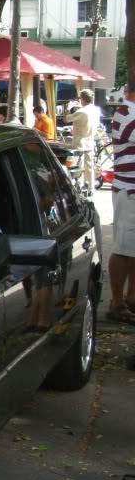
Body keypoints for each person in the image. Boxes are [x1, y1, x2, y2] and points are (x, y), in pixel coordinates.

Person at [106, 82, 135, 323]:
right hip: (129, 192)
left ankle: (130, 298)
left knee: (131, 249)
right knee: (123, 248)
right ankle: (117, 302)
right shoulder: (128, 115)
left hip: (130, 190)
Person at [65, 88, 99, 190]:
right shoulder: (96, 110)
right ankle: (90, 188)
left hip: (79, 142)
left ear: (82, 98)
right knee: (89, 167)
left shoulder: (81, 111)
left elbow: (66, 119)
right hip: (90, 141)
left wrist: (68, 108)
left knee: (76, 167)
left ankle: (76, 187)